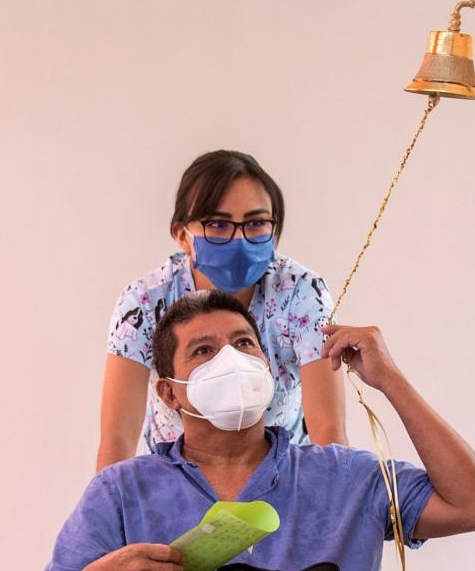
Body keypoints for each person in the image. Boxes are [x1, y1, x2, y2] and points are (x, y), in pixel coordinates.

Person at [28, 290, 475, 571]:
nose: (230, 359)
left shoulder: (344, 478)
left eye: (244, 343)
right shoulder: (122, 491)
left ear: (269, 369)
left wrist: (390, 380)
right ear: (169, 393)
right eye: (203, 351)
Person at [98, 150, 346, 471]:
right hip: (174, 480)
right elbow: (116, 439)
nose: (239, 239)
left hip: (279, 482)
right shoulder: (145, 302)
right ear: (182, 235)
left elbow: (329, 432)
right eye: (217, 224)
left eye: (256, 223)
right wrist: (106, 515)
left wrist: (335, 511)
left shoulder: (301, 294)